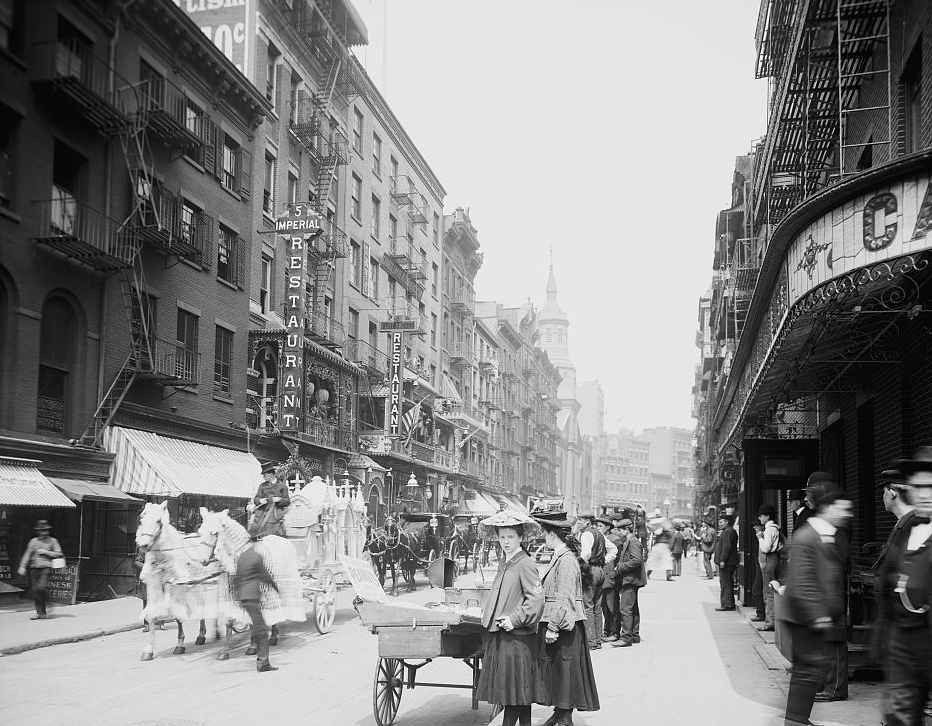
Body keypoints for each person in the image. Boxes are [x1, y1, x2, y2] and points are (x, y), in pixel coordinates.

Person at [779, 490, 852, 726]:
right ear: (828, 508)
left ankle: (797, 719)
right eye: (842, 508)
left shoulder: (826, 534)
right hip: (805, 617)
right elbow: (803, 581)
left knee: (809, 670)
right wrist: (819, 616)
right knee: (807, 670)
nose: (846, 513)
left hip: (813, 615)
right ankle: (795, 721)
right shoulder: (808, 536)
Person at [872, 448, 932, 726]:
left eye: (931, 486)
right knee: (900, 716)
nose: (924, 494)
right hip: (902, 643)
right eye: (919, 486)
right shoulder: (908, 529)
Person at [531, 511, 599, 726]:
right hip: (562, 623)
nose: (543, 537)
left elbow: (564, 595)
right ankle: (560, 713)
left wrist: (553, 627)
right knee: (560, 671)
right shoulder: (562, 556)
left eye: (544, 533)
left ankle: (565, 717)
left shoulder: (566, 559)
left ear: (552, 534)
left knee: (565, 670)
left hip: (563, 625)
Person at [477, 510, 544, 726]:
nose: (506, 542)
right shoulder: (506, 563)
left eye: (511, 537)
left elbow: (536, 600)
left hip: (517, 638)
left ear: (521, 538)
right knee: (519, 694)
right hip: (504, 636)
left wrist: (514, 619)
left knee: (514, 693)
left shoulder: (525, 563)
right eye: (502, 537)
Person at [234, 522, 280, 672]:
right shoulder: (257, 556)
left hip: (244, 597)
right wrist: (276, 589)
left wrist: (238, 597)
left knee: (256, 626)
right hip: (253, 597)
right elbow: (265, 576)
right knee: (261, 629)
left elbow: (237, 578)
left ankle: (259, 656)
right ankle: (263, 662)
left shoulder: (242, 556)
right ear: (259, 539)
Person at [576, 512, 615, 650]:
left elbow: (586, 553)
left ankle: (590, 642)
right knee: (597, 607)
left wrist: (578, 563)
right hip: (599, 571)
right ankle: (598, 640)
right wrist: (603, 561)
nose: (578, 522)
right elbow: (613, 550)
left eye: (581, 520)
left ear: (588, 522)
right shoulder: (599, 534)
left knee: (587, 606)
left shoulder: (586, 534)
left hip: (590, 571)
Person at [17, 519, 63, 620]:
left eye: (46, 530)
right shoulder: (33, 541)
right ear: (38, 531)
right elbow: (27, 554)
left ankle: (47, 601)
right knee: (35, 591)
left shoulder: (53, 541)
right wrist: (22, 566)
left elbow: (59, 553)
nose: (44, 532)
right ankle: (40, 613)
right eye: (42, 530)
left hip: (46, 568)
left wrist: (46, 552)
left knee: (41, 587)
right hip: (34, 569)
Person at [611, 518, 645, 647]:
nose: (618, 533)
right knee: (633, 608)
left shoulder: (633, 542)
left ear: (626, 530)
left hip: (631, 579)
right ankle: (634, 635)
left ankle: (626, 638)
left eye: (619, 530)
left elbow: (636, 560)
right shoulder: (630, 541)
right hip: (631, 579)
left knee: (625, 608)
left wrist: (620, 567)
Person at [756, 503, 782, 632]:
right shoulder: (773, 528)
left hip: (770, 561)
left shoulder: (770, 529)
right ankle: (771, 620)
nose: (760, 518)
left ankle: (770, 622)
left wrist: (760, 538)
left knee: (769, 592)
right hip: (772, 561)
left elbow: (766, 548)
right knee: (769, 591)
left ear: (767, 516)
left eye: (761, 516)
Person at [597, 516, 623, 641]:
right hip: (603, 577)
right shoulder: (601, 538)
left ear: (608, 527)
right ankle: (606, 631)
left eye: (601, 526)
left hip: (611, 577)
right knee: (604, 607)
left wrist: (615, 574)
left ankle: (615, 632)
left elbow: (619, 560)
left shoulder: (615, 540)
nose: (598, 528)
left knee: (612, 606)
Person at [250, 461, 290, 537]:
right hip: (262, 512)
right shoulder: (262, 486)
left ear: (271, 475)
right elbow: (256, 499)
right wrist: (260, 500)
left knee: (276, 529)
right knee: (254, 528)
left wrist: (279, 500)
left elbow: (287, 501)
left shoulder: (282, 486)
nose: (263, 477)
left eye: (264, 475)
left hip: (275, 513)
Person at [714, 515, 738, 610]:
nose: (719, 524)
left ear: (726, 522)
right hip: (728, 562)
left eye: (721, 522)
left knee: (726, 583)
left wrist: (723, 560)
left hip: (727, 562)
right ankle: (729, 603)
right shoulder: (728, 531)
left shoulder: (728, 532)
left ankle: (727, 604)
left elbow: (727, 547)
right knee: (726, 582)